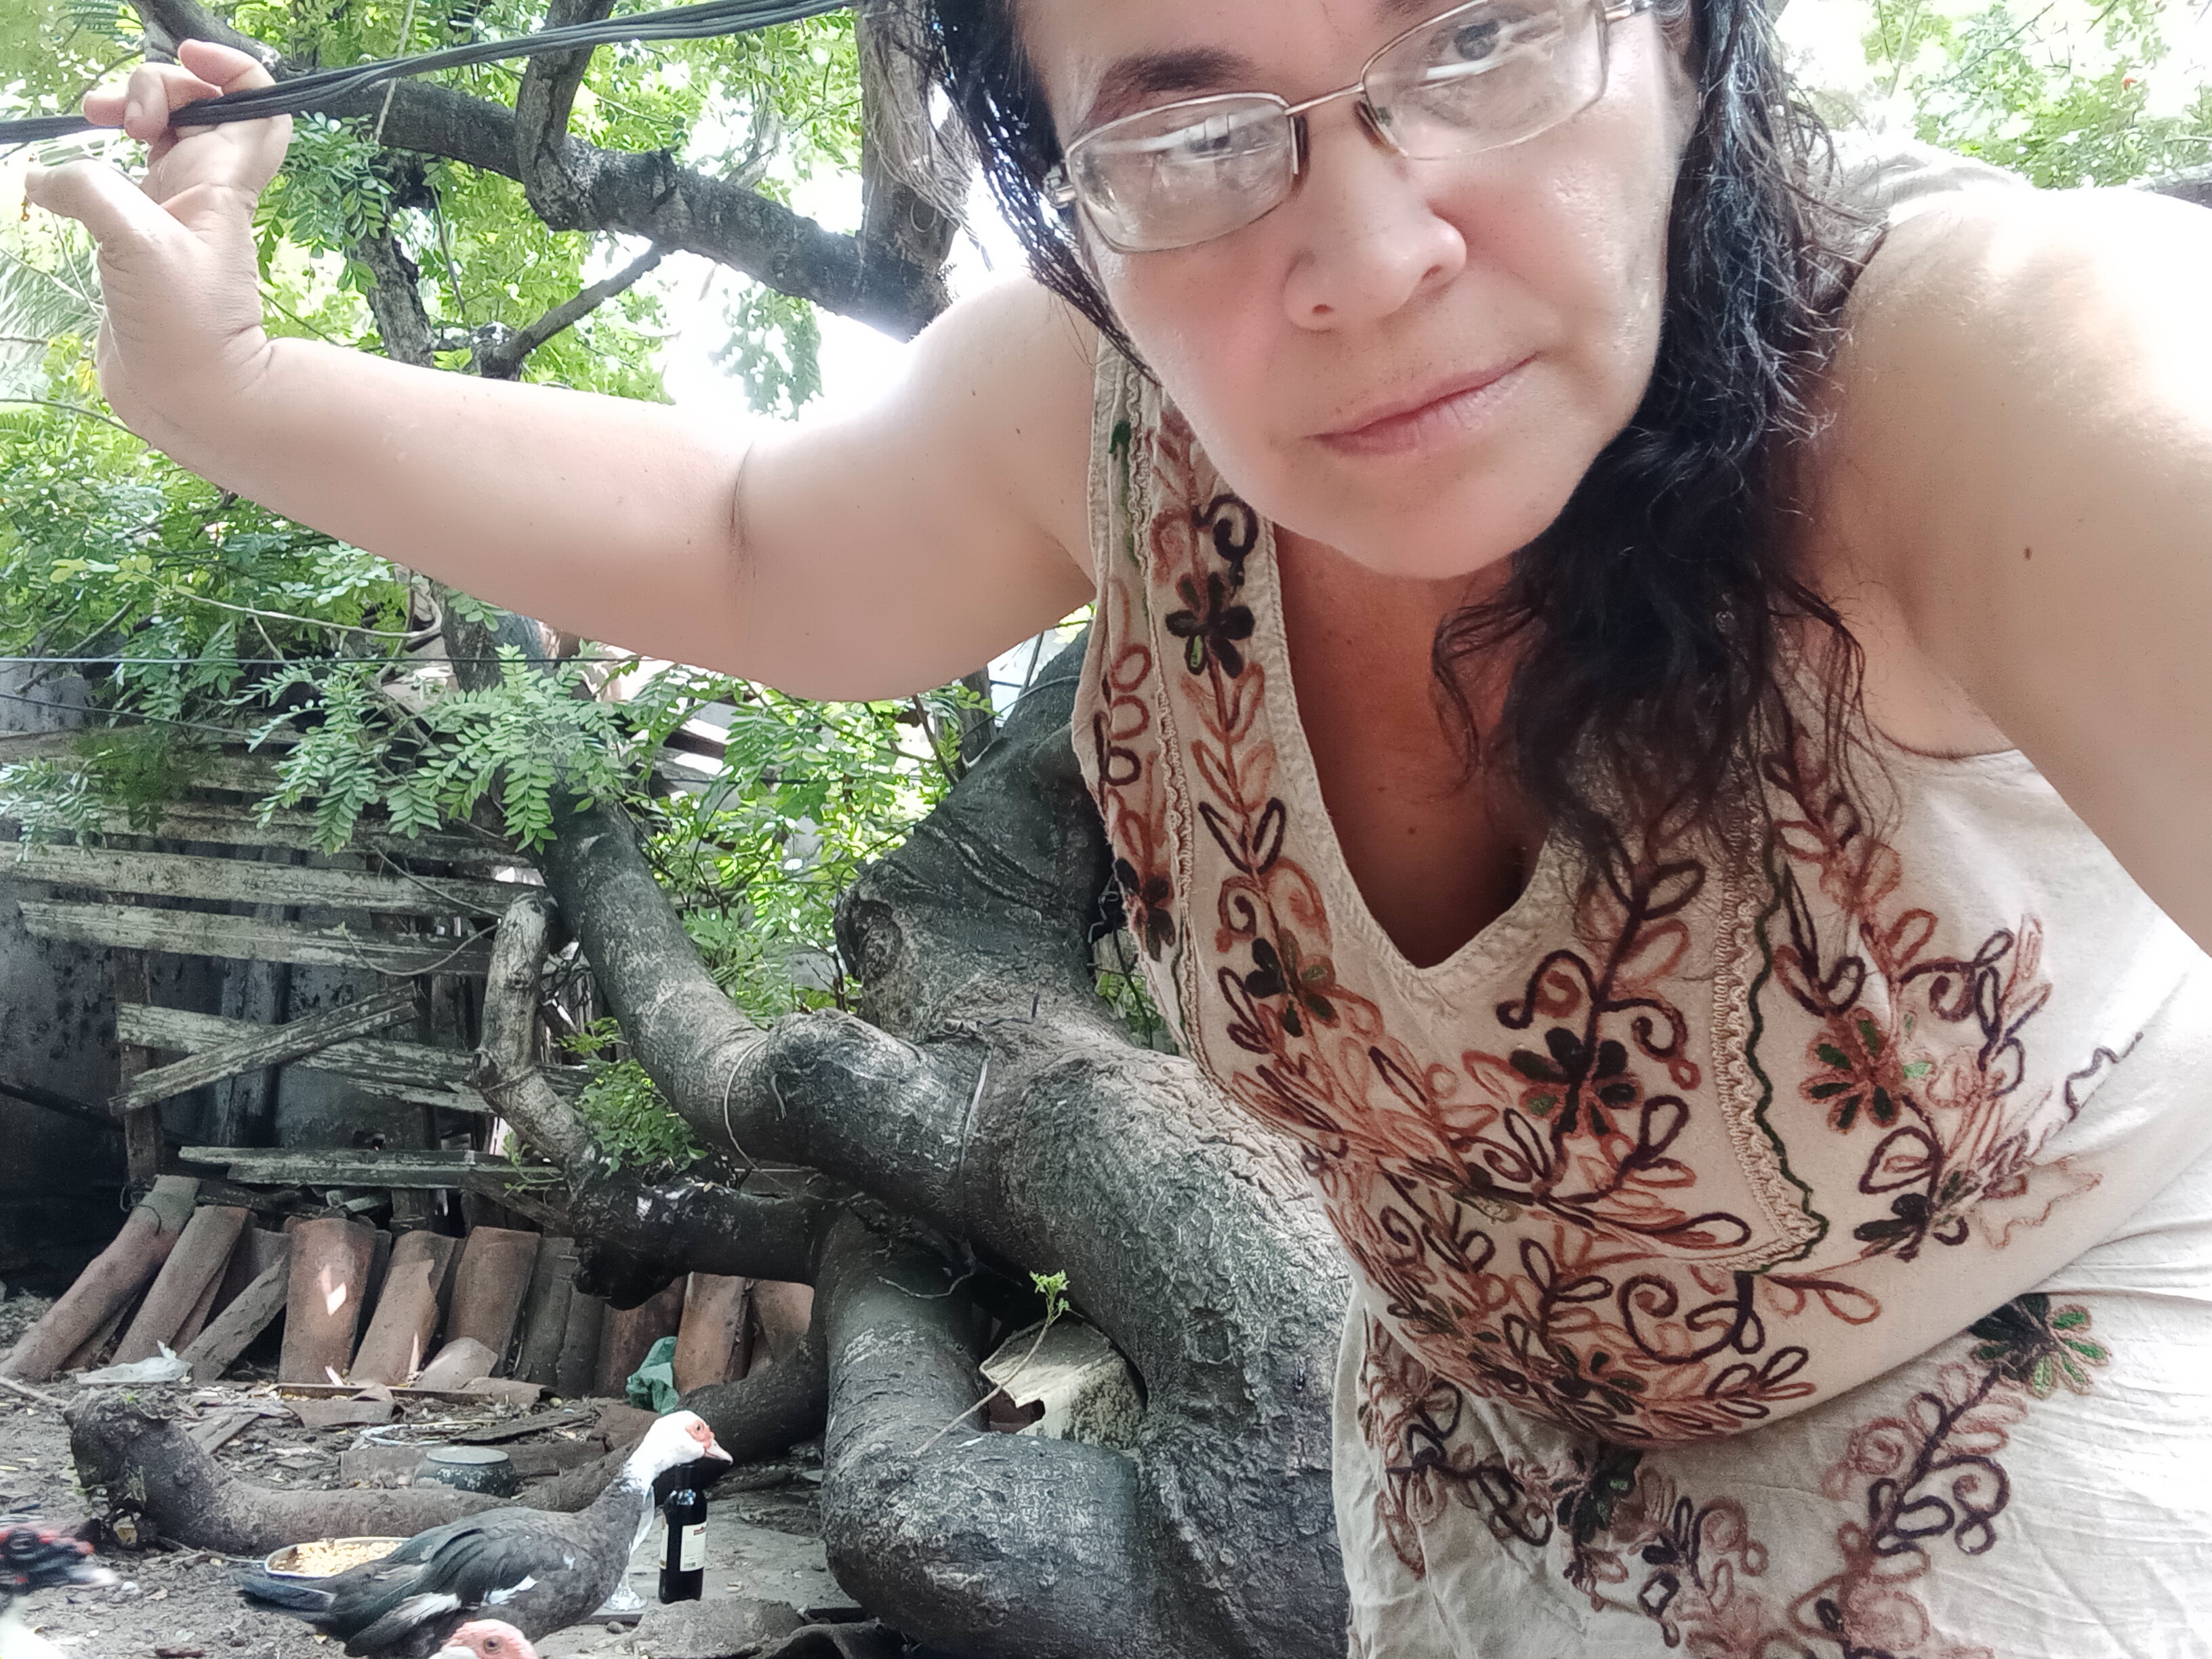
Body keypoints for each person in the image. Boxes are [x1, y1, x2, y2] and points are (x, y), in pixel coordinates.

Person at [24, 0, 2212, 1650]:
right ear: (1058, 184)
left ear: (1688, 37)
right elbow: (757, 538)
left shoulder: (1972, 366)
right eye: (1188, 131)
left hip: (2052, 1510)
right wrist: (221, 381)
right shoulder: (1112, 405)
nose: (1368, 252)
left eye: (1483, 39)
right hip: (1464, 1519)